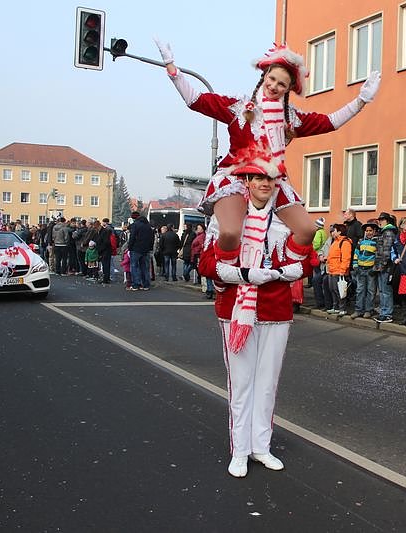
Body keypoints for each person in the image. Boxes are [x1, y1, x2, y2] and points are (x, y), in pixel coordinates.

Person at [155, 39, 380, 269]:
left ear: (288, 89)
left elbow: (330, 122)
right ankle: (228, 277)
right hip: (237, 178)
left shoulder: (291, 119)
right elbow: (195, 100)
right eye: (271, 79)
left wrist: (361, 101)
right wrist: (172, 67)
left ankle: (279, 273)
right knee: (231, 232)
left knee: (307, 230)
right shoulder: (239, 108)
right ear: (264, 76)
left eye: (282, 84)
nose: (274, 86)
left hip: (272, 181)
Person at [197, 150, 313, 478]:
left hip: (276, 309)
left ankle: (261, 447)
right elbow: (207, 264)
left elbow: (307, 262)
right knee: (242, 383)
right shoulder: (228, 217)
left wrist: (283, 272)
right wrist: (245, 275)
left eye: (270, 178)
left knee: (267, 384)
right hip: (236, 310)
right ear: (246, 181)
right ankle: (240, 450)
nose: (265, 183)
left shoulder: (286, 219)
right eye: (258, 177)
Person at [372, 212, 398, 323]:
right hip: (381, 266)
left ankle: (387, 314)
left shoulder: (388, 232)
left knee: (386, 291)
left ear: (387, 221)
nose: (380, 222)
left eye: (382, 220)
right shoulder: (384, 232)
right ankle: (383, 312)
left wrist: (382, 265)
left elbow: (387, 251)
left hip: (385, 267)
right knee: (382, 290)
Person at [351, 222, 378, 319]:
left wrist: (374, 269)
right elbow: (356, 253)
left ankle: (368, 310)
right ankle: (358, 310)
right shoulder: (361, 242)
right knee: (360, 290)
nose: (368, 232)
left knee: (371, 291)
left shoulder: (377, 242)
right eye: (367, 231)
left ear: (374, 231)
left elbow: (378, 256)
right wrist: (355, 265)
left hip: (370, 270)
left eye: (370, 231)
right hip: (360, 269)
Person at [326, 224, 353, 315]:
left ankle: (342, 308)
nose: (332, 233)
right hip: (332, 270)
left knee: (339, 291)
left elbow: (346, 258)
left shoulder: (345, 242)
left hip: (339, 271)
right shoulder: (335, 241)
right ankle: (336, 307)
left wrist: (342, 270)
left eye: (334, 231)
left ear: (339, 232)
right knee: (333, 290)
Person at [128, 211, 154, 291]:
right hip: (146, 250)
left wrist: (130, 247)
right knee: (145, 268)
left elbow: (132, 237)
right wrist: (150, 248)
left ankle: (136, 284)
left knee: (134, 267)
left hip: (136, 249)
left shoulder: (135, 225)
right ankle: (146, 284)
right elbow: (152, 238)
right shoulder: (148, 226)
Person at [97, 218, 114, 284]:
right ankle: (106, 278)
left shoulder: (105, 231)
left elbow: (105, 242)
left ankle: (106, 279)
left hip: (105, 251)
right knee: (106, 265)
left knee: (106, 265)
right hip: (106, 250)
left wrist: (100, 249)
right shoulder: (105, 231)